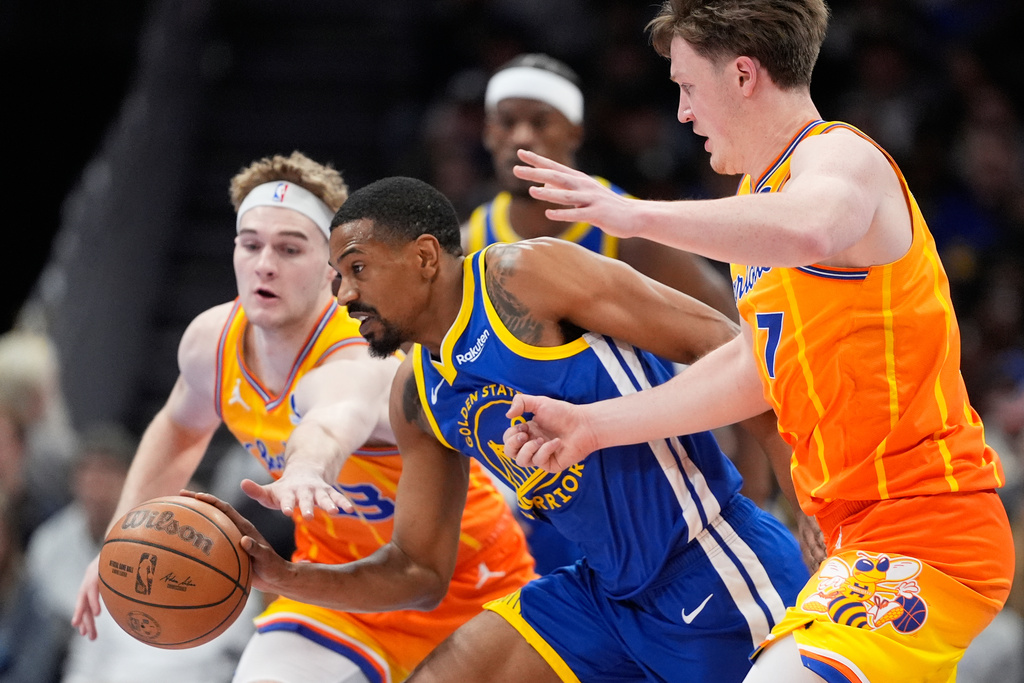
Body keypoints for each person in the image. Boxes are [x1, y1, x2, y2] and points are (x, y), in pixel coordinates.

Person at [503, 1, 1015, 681]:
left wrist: (634, 215)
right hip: (855, 535)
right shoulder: (758, 196)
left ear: (743, 75)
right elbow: (754, 366)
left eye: (687, 85)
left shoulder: (840, 155)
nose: (683, 112)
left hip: (930, 529)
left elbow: (810, 227)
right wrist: (594, 426)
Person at [195, 174, 811, 683]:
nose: (344, 293)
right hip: (601, 596)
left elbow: (728, 349)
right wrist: (286, 578)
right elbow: (419, 571)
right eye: (337, 274)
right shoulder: (418, 397)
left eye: (357, 268)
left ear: (425, 257)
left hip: (710, 562)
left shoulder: (523, 280)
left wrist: (809, 508)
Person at [70, 152, 535, 683]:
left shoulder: (362, 352)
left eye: (290, 248)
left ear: (330, 269)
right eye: (251, 245)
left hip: (470, 590)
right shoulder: (210, 342)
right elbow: (179, 428)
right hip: (336, 591)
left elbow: (332, 418)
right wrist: (119, 537)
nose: (265, 263)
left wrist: (307, 468)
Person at [468, 51, 818, 569]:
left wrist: (761, 497)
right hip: (540, 492)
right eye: (507, 121)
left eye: (541, 121)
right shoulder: (470, 241)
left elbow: (742, 348)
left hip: (654, 481)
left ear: (575, 132)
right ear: (487, 133)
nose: (523, 135)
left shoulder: (627, 232)